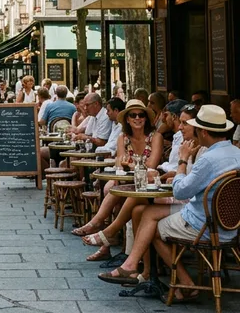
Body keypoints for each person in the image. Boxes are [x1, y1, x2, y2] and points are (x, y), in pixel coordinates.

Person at [99, 105, 240, 294]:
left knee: (152, 229)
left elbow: (181, 191)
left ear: (204, 132)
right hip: (231, 226)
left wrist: (182, 160)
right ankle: (136, 266)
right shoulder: (236, 153)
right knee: (145, 212)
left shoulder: (208, 159)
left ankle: (184, 282)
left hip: (204, 225)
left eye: (196, 128)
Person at [74, 99, 163, 246]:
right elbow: (121, 164)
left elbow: (151, 166)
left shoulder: (155, 137)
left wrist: (130, 165)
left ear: (146, 118)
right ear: (127, 119)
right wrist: (131, 166)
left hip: (149, 182)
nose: (137, 118)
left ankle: (100, 228)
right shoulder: (123, 137)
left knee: (113, 189)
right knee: (111, 187)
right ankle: (104, 233)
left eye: (141, 115)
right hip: (129, 179)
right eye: (133, 115)